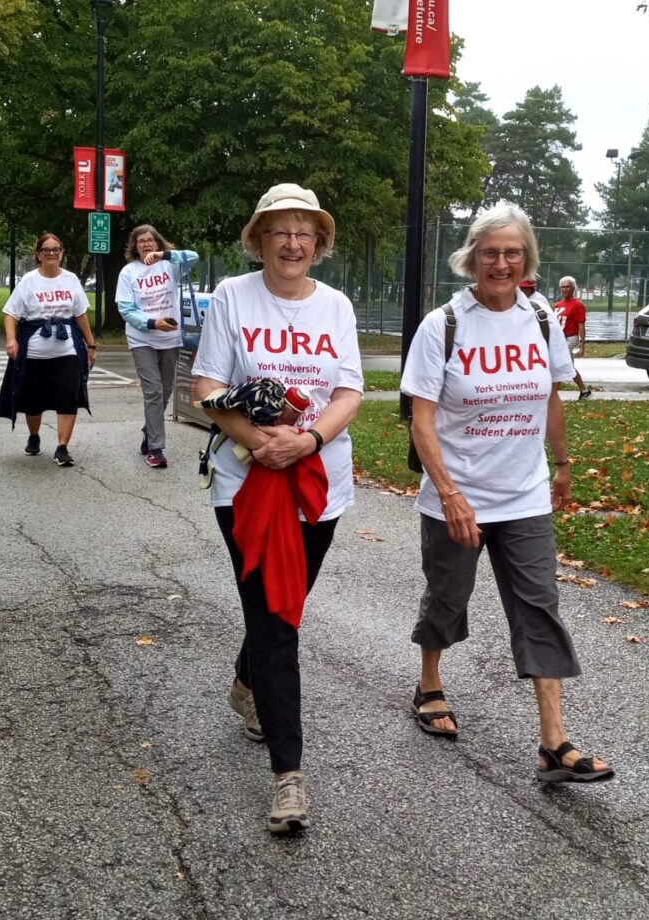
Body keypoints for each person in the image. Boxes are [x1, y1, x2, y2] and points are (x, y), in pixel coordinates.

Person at [400, 204, 613, 784]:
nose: (500, 263)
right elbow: (421, 421)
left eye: (512, 252)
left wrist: (562, 464)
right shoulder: (442, 325)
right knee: (448, 597)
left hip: (524, 496)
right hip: (457, 494)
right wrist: (450, 495)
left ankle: (554, 742)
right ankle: (429, 684)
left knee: (540, 607)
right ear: (472, 257)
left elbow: (549, 396)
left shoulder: (541, 317)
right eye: (489, 252)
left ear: (527, 259)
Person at [192, 183, 363, 833]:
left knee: (279, 611)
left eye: (304, 232)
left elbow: (350, 391)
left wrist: (310, 439)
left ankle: (247, 684)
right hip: (246, 483)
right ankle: (289, 779)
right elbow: (205, 386)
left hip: (319, 481)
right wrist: (257, 439)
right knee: (277, 623)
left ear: (318, 244)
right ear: (258, 238)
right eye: (279, 230)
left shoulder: (337, 307)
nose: (292, 243)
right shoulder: (233, 297)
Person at [0, 232, 96, 466]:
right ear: (38, 255)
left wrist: (90, 344)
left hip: (67, 350)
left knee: (69, 396)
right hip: (34, 352)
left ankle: (62, 448)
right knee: (33, 402)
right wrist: (11, 340)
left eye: (56, 249)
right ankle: (34, 435)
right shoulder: (29, 281)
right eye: (46, 250)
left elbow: (80, 314)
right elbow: (11, 314)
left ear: (61, 253)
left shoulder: (71, 279)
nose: (52, 253)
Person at [115, 224, 198, 468]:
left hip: (169, 338)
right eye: (141, 241)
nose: (146, 244)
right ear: (135, 246)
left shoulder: (170, 266)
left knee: (166, 389)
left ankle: (149, 431)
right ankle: (156, 449)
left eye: (150, 240)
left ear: (157, 243)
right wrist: (153, 323)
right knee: (153, 391)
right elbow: (126, 310)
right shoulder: (128, 272)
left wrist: (164, 255)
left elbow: (194, 257)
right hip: (142, 338)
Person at [554, 275, 592, 400]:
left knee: (564, 364)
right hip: (559, 339)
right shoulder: (558, 305)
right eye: (562, 287)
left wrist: (582, 342)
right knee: (565, 365)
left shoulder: (577, 305)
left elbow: (581, 325)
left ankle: (553, 393)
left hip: (570, 338)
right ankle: (583, 390)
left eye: (567, 287)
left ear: (573, 288)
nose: (565, 289)